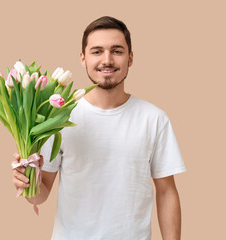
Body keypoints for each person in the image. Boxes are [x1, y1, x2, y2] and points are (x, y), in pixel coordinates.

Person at [12, 16, 186, 240]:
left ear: (130, 58)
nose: (107, 60)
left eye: (117, 51)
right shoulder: (58, 118)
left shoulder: (154, 119)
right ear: (83, 58)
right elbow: (41, 194)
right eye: (97, 51)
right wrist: (27, 181)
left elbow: (166, 191)